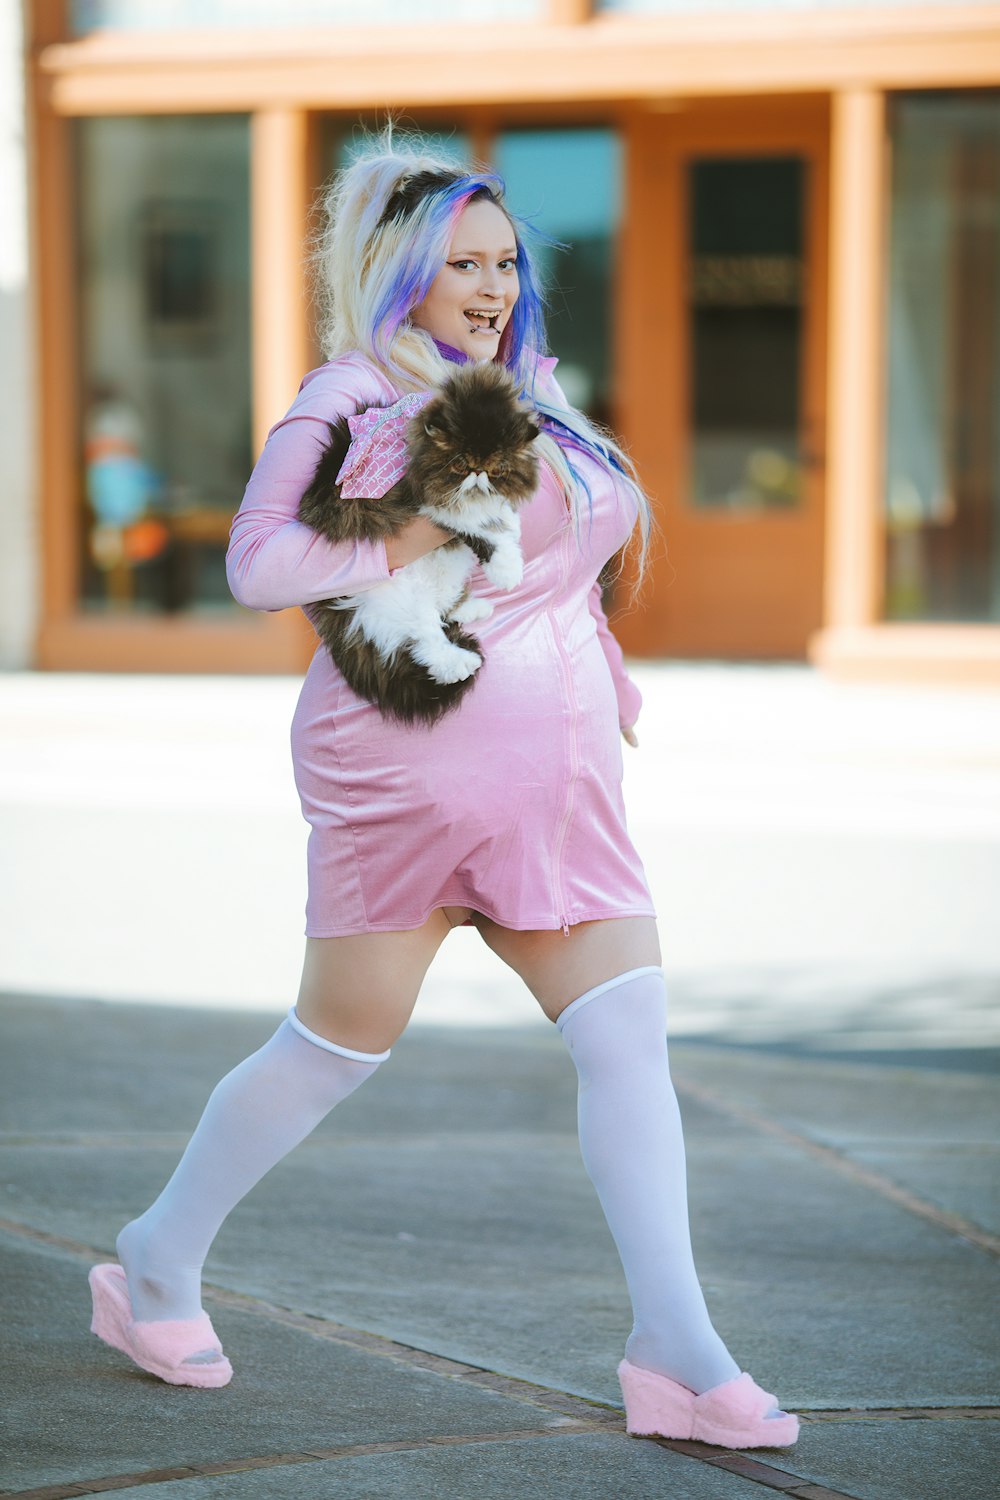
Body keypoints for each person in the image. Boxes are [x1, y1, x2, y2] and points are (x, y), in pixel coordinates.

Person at [88, 132, 798, 1449]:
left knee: (626, 1035)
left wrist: (615, 682)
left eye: (507, 261)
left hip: (558, 783)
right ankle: (155, 1259)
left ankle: (677, 1350)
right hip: (403, 775)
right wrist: (419, 523)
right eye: (462, 262)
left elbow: (564, 561)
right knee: (331, 1051)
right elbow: (258, 563)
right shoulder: (352, 393)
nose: (492, 283)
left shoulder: (536, 390)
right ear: (397, 270)